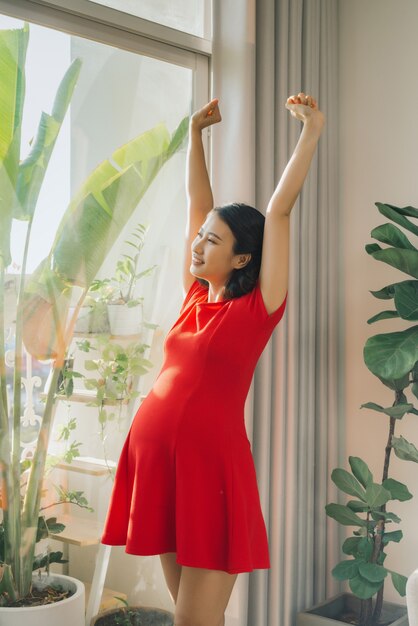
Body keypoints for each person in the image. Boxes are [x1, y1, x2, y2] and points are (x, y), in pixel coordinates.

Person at [101, 92, 324, 626]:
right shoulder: (194, 297)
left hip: (210, 471)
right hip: (159, 465)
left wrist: (311, 130)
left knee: (192, 622)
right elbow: (197, 206)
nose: (197, 245)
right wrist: (195, 138)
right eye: (198, 239)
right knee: (194, 618)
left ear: (242, 257)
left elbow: (280, 211)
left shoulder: (259, 307)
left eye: (212, 241)